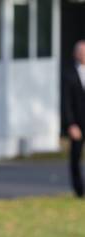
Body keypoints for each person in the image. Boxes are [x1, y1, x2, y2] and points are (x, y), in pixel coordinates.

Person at [63, 40, 85, 198]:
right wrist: (71, 124)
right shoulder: (69, 74)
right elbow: (66, 102)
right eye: (80, 51)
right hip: (78, 122)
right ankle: (79, 190)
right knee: (76, 156)